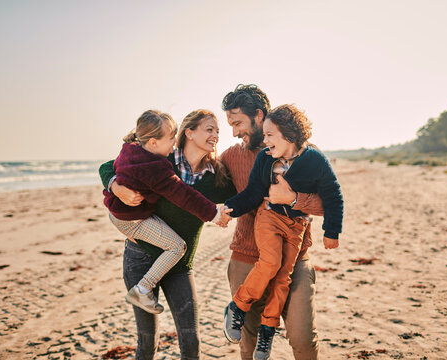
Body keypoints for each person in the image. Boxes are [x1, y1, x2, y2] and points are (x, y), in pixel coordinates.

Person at [99, 110, 236, 360]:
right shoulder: (160, 158)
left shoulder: (216, 178)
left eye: (218, 131)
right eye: (209, 129)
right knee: (147, 342)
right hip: (140, 258)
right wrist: (115, 187)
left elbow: (239, 197)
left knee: (191, 340)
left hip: (180, 266)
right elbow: (109, 167)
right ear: (189, 132)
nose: (216, 135)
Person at [220, 104, 343, 359]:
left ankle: (269, 328)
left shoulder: (313, 157)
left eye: (237, 123)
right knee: (247, 344)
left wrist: (295, 200)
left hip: (296, 238)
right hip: (256, 239)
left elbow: (332, 197)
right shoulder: (250, 157)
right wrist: (225, 209)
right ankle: (239, 308)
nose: (233, 132)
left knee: (299, 327)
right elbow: (252, 193)